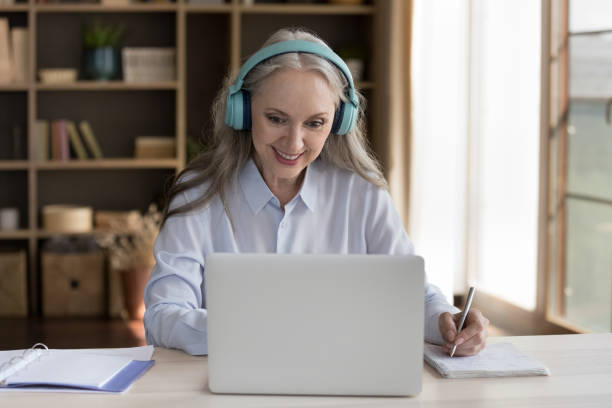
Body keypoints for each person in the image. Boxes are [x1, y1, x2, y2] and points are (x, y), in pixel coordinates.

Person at [144, 27, 489, 357]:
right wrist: (258, 331)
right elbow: (163, 315)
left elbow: (412, 297)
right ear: (244, 112)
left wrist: (447, 321)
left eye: (315, 123)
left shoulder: (363, 194)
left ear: (338, 122)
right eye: (276, 119)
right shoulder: (199, 195)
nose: (294, 143)